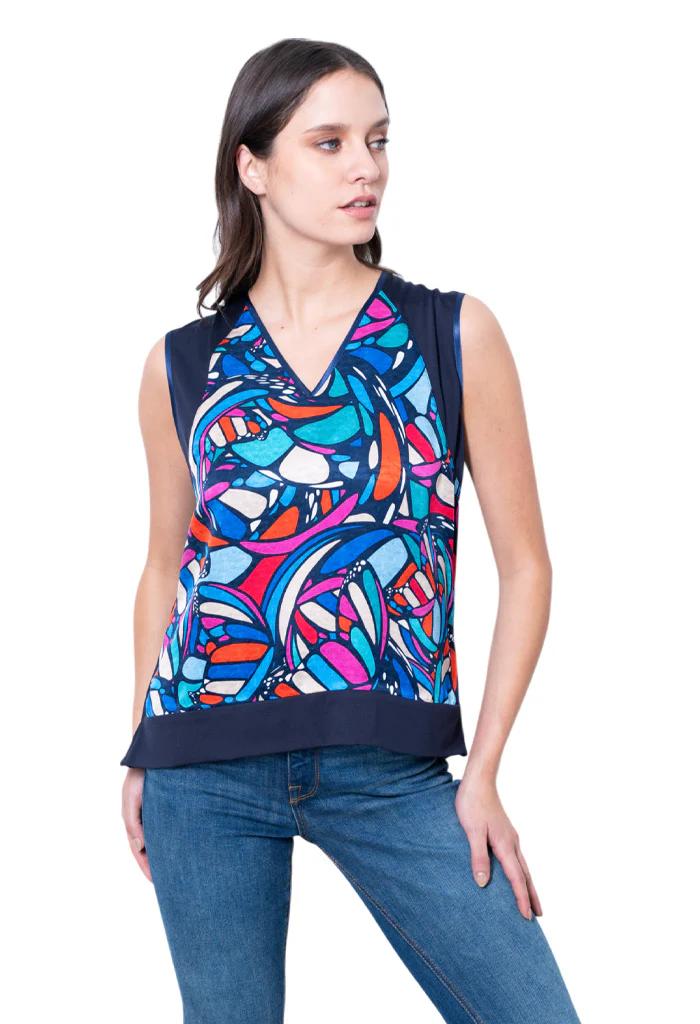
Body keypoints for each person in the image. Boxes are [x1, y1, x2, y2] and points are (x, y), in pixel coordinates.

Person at [120, 37, 582, 1024]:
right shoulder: (183, 366)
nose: (364, 167)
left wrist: (484, 772)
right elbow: (166, 562)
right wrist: (139, 741)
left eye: (377, 140)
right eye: (327, 143)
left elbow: (528, 566)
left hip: (391, 767)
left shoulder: (449, 333)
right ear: (253, 166)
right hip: (200, 764)